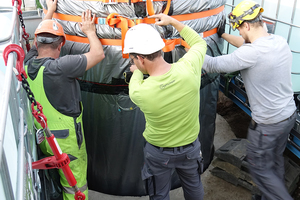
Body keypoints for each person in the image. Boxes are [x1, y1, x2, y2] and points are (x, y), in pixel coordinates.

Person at [203, 1, 297, 200]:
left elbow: (211, 64)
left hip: (268, 125)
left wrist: (189, 51)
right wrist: (222, 35)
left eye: (238, 28)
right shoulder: (278, 41)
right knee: (273, 162)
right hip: (287, 116)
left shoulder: (251, 54)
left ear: (245, 25)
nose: (239, 32)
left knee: (260, 169)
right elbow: (246, 45)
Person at [24, 0, 105, 199]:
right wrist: (90, 31)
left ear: (36, 43)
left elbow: (40, 38)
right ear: (62, 45)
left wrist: (50, 12)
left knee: (58, 181)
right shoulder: (62, 67)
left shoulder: (28, 62)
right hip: (67, 142)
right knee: (75, 186)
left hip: (44, 137)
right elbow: (98, 54)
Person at [123, 13, 206, 200]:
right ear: (160, 50)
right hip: (190, 150)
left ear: (140, 59)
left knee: (159, 195)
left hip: (159, 153)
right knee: (194, 189)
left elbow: (135, 81)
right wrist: (173, 22)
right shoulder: (189, 69)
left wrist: (136, 72)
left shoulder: (139, 92)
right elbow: (200, 43)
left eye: (133, 59)